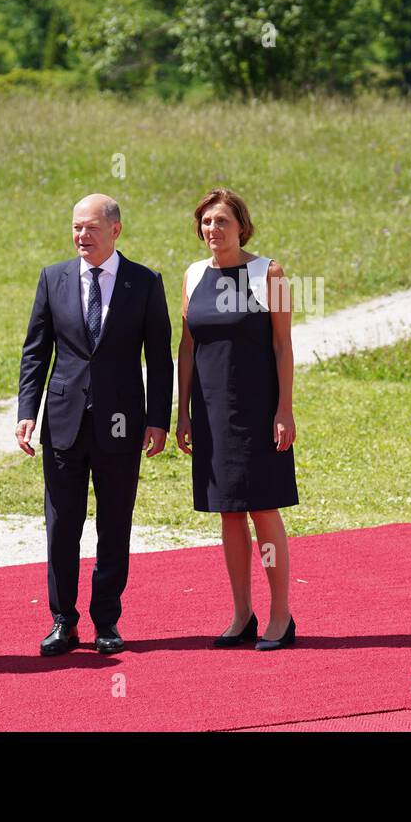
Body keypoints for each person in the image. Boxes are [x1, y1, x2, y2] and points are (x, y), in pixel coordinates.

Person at [16, 194, 173, 656]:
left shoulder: (144, 283)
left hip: (122, 423)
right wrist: (27, 412)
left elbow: (159, 358)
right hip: (63, 422)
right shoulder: (53, 278)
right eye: (76, 228)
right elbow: (35, 351)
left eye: (91, 228)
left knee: (114, 522)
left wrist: (157, 420)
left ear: (115, 231)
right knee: (61, 523)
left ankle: (107, 620)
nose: (81, 236)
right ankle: (63, 620)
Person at [176, 188, 299, 650]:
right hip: (210, 413)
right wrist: (182, 411)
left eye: (222, 222)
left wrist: (284, 409)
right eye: (207, 223)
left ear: (241, 225)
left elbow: (283, 345)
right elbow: (187, 347)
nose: (213, 230)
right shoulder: (191, 275)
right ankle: (241, 613)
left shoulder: (269, 272)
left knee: (263, 509)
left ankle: (281, 616)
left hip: (258, 409)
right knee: (227, 512)